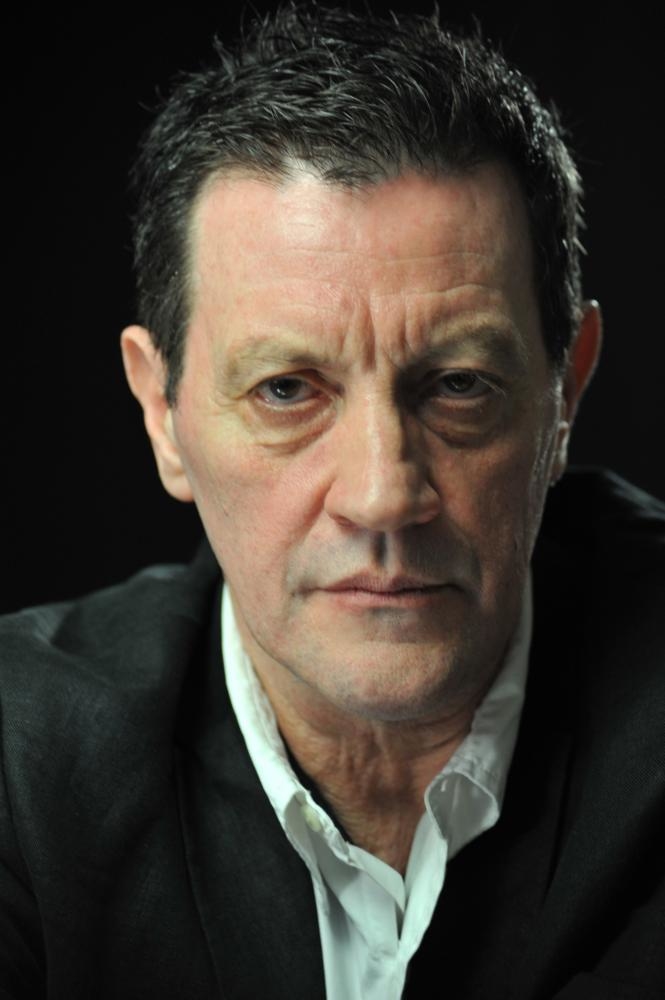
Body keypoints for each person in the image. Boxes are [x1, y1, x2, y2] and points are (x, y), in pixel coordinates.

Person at [1, 3, 663, 998]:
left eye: (457, 385)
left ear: (563, 393)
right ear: (162, 412)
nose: (382, 495)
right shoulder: (16, 761)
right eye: (286, 390)